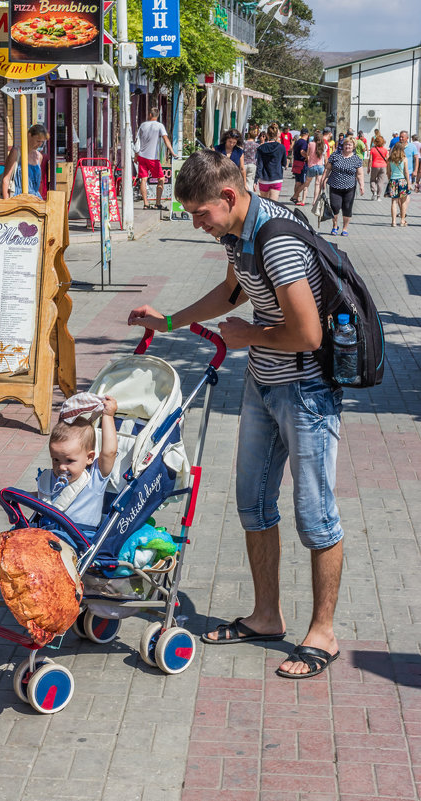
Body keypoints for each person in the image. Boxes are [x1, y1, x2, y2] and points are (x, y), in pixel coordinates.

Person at [128, 149, 344, 680]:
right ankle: (266, 616)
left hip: (306, 390)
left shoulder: (278, 241)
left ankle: (323, 632)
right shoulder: (237, 234)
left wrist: (249, 336)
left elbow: (309, 334)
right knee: (253, 504)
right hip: (263, 384)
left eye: (201, 214)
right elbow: (232, 291)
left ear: (229, 196)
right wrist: (172, 320)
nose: (198, 225)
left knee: (316, 516)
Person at [0, 394, 118, 575]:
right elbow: (44, 497)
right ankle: (5, 556)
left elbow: (109, 452)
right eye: (55, 459)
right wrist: (24, 497)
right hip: (46, 532)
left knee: (41, 548)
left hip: (78, 540)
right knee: (22, 535)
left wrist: (108, 416)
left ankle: (10, 563)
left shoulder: (95, 478)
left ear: (89, 458)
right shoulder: (52, 478)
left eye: (69, 460)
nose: (61, 466)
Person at [134, 107, 176, 211]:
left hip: (142, 157)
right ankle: (157, 203)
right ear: (157, 116)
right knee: (161, 178)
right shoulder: (159, 126)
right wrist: (172, 152)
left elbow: (137, 141)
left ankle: (146, 203)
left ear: (150, 115)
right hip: (153, 158)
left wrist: (136, 156)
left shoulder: (143, 125)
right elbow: (166, 139)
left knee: (143, 179)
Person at [321, 135, 364, 236]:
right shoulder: (335, 156)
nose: (347, 146)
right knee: (335, 207)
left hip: (350, 187)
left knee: (347, 208)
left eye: (350, 145)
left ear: (353, 146)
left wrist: (362, 185)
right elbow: (327, 169)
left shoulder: (356, 159)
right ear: (343, 145)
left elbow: (360, 174)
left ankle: (345, 228)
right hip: (335, 186)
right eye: (345, 144)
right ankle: (335, 226)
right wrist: (323, 179)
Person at [1, 124, 49, 199]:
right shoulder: (16, 152)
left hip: (35, 199)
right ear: (29, 136)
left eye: (42, 142)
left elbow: (39, 183)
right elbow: (6, 179)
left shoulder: (39, 156)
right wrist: (6, 202)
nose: (39, 144)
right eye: (38, 141)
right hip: (17, 198)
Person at [255, 122, 286, 201]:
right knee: (273, 205)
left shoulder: (261, 148)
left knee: (265, 205)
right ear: (277, 135)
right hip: (276, 178)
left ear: (267, 135)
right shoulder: (281, 147)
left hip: (264, 179)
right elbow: (284, 163)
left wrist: (255, 180)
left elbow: (259, 166)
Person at [387, 143, 411, 227]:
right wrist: (409, 183)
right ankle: (402, 220)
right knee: (403, 201)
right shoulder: (404, 159)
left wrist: (390, 180)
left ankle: (393, 222)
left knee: (394, 201)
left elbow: (388, 172)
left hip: (393, 180)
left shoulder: (390, 159)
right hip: (402, 181)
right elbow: (406, 172)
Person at [300, 131, 327, 205]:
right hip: (320, 166)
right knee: (317, 184)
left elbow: (307, 154)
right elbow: (325, 157)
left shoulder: (310, 144)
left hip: (311, 166)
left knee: (307, 184)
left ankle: (303, 201)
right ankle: (314, 201)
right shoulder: (323, 145)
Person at [290, 126, 310, 204]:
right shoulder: (304, 142)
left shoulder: (297, 141)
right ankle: (295, 196)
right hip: (301, 163)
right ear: (307, 134)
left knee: (297, 182)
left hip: (296, 162)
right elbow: (302, 151)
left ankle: (296, 198)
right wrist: (307, 157)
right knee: (303, 182)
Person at [367, 134, 388, 201]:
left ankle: (374, 192)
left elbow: (370, 159)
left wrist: (368, 167)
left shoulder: (373, 149)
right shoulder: (385, 150)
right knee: (380, 182)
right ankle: (379, 197)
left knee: (372, 180)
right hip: (383, 166)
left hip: (375, 166)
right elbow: (387, 159)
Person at [242, 125, 259, 192]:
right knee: (250, 181)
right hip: (252, 164)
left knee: (242, 182)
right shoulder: (257, 145)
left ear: (248, 135)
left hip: (243, 164)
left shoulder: (243, 143)